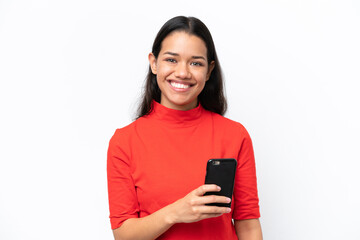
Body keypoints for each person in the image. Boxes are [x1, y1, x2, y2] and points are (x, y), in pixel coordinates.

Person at [107, 16, 262, 240]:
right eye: (171, 60)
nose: (182, 73)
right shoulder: (125, 142)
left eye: (195, 63)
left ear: (209, 71)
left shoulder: (234, 135)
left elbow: (248, 224)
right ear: (153, 63)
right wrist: (175, 213)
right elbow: (123, 235)